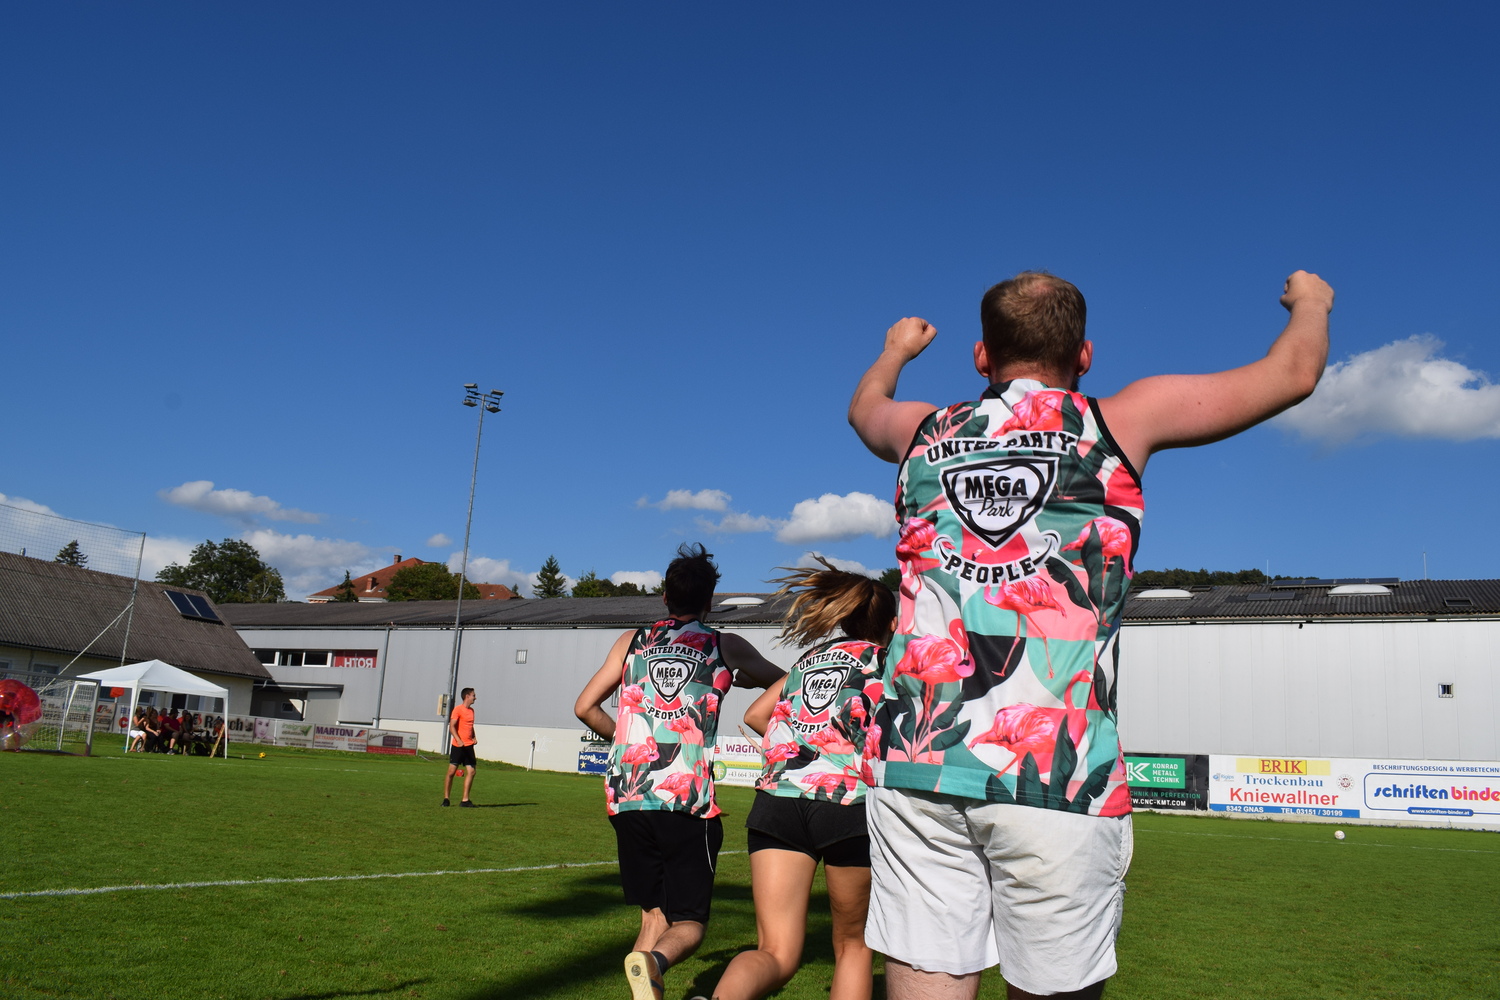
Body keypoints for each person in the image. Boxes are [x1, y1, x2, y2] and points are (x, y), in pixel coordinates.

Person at [847, 270, 1333, 999]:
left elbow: (864, 409)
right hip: (1057, 776)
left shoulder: (922, 430)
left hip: (917, 767)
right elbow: (1293, 373)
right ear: (1084, 356)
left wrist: (895, 350)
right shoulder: (1122, 421)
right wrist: (1311, 302)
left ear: (981, 357)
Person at [573, 543, 786, 1000]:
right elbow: (788, 685)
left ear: (665, 597)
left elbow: (585, 707)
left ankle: (644, 969)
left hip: (627, 795)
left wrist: (628, 742)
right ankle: (654, 963)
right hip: (686, 801)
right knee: (690, 922)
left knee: (653, 916)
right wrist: (749, 679)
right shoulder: (724, 644)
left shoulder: (630, 641)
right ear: (710, 600)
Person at [697, 558, 893, 1000]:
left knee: (774, 951)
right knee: (853, 948)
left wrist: (800, 747)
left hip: (777, 804)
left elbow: (756, 715)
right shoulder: (888, 663)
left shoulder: (808, 661)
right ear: (891, 623)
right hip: (847, 805)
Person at [443, 687, 478, 807]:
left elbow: (470, 726)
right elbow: (452, 726)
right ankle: (446, 798)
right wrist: (458, 740)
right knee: (451, 772)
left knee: (472, 771)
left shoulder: (472, 711)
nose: (475, 698)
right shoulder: (458, 709)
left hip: (469, 746)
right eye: (473, 695)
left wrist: (474, 736)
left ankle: (465, 800)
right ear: (467, 696)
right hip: (458, 746)